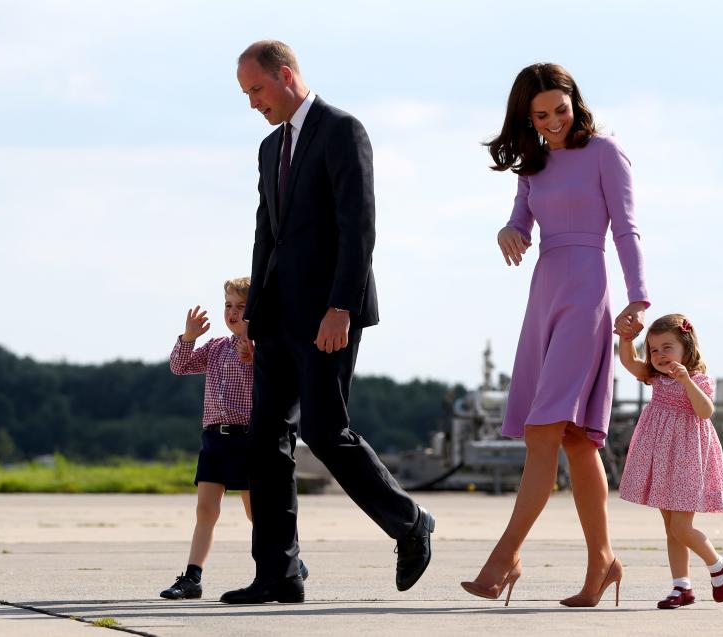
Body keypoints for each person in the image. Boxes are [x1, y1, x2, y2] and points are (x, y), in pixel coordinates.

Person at [220, 40, 433, 605]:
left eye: (257, 90)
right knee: (264, 441)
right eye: (246, 94)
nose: (253, 104)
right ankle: (279, 574)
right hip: (275, 316)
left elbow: (358, 222)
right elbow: (267, 233)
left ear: (285, 75)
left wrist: (342, 305)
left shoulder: (342, 130)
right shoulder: (269, 149)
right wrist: (252, 316)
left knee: (323, 428)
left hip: (327, 314)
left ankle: (409, 522)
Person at [461, 63, 649, 607]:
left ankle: (505, 557)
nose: (552, 123)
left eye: (559, 110)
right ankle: (603, 563)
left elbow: (627, 227)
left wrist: (639, 297)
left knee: (544, 431)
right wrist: (508, 231)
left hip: (588, 290)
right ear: (527, 117)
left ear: (575, 102)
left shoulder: (606, 153)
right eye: (540, 116)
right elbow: (522, 220)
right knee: (572, 439)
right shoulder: (533, 164)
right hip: (544, 293)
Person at [159, 277, 308, 600]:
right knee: (206, 510)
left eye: (242, 306)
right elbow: (179, 366)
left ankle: (289, 562)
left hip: (247, 439)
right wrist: (188, 337)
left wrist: (254, 359)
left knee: (257, 512)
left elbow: (281, 386)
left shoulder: (267, 349)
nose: (233, 312)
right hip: (214, 439)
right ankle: (192, 577)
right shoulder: (214, 347)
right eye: (228, 305)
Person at [618, 313, 723, 609]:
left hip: (687, 458)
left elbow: (705, 411)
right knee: (671, 527)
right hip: (662, 456)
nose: (659, 355)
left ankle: (718, 564)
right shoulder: (655, 377)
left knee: (681, 527)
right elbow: (630, 363)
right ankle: (681, 586)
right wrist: (626, 337)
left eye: (666, 347)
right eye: (653, 350)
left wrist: (685, 380)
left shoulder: (698, 379)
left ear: (686, 347)